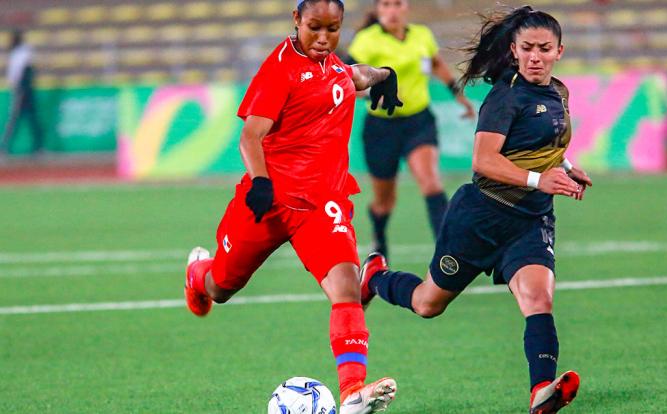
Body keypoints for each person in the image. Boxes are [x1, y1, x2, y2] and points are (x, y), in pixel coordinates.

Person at [357, 6, 592, 413]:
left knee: (538, 298)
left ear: (559, 51)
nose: (536, 56)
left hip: (531, 220)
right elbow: (484, 160)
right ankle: (376, 277)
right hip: (482, 217)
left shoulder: (559, 92)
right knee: (428, 304)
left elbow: (547, 140)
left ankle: (541, 391)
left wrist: (567, 166)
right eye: (527, 48)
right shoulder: (506, 97)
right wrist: (540, 179)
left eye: (545, 48)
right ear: (514, 51)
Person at [183, 1, 403, 412]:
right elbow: (250, 136)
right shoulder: (280, 69)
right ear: (296, 22)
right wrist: (262, 182)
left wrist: (385, 76)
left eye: (332, 29)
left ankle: (353, 390)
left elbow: (353, 76)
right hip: (268, 201)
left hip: (322, 206)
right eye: (314, 28)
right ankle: (197, 274)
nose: (323, 38)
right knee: (222, 288)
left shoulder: (333, 65)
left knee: (345, 289)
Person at [347, 0, 476, 259]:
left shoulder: (422, 35)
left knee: (431, 183)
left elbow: (436, 63)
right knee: (384, 201)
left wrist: (457, 94)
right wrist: (374, 93)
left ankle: (448, 252)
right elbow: (347, 78)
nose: (392, 10)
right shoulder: (366, 40)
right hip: (381, 127)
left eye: (397, 4)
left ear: (406, 7)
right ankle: (379, 240)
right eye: (386, 4)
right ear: (378, 9)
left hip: (418, 121)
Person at [2, 29, 44, 155]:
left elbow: (17, 73)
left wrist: (16, 89)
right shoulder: (19, 52)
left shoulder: (22, 52)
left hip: (23, 88)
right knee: (26, 118)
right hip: (23, 88)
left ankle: (5, 146)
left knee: (20, 118)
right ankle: (6, 146)